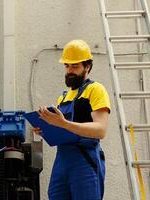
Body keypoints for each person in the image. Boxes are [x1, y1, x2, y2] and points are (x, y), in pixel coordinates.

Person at [33, 40, 110, 200]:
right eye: (67, 66)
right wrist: (46, 129)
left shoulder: (95, 90)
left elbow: (101, 130)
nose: (69, 71)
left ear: (87, 66)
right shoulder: (63, 97)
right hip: (62, 160)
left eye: (75, 66)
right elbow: (62, 130)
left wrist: (63, 123)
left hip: (85, 159)